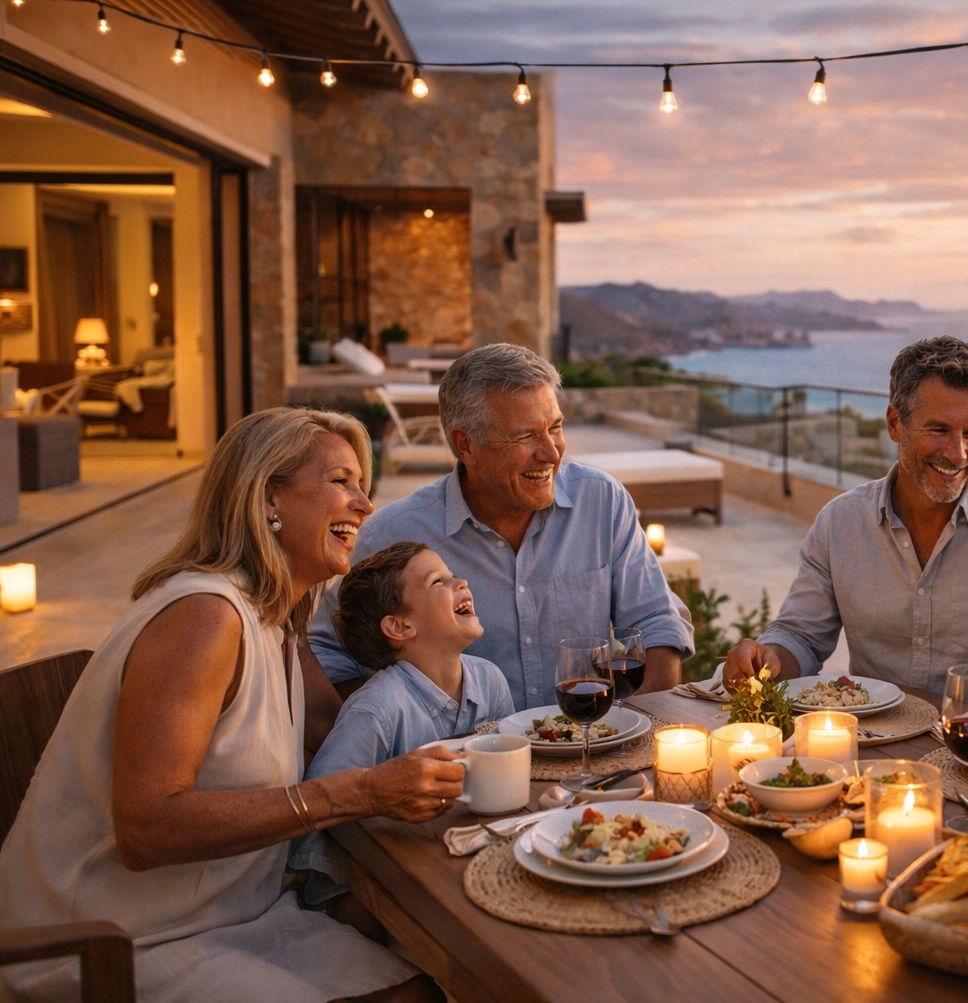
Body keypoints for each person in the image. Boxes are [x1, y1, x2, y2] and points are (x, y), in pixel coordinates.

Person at [0, 407, 463, 1002]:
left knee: (429, 984)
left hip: (233, 917)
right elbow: (146, 829)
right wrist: (362, 791)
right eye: (340, 482)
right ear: (268, 498)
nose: (365, 505)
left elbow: (336, 729)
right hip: (109, 943)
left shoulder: (275, 619)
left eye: (362, 486)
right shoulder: (204, 616)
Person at [307, 343, 693, 707]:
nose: (551, 452)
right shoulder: (391, 535)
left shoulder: (602, 501)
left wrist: (642, 728)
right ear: (466, 445)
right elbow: (328, 659)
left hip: (589, 747)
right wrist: (408, 728)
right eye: (525, 435)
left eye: (555, 427)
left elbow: (655, 624)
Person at [725, 335, 968, 712]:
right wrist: (768, 659)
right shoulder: (839, 523)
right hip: (877, 750)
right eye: (939, 430)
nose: (957, 453)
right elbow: (802, 637)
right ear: (895, 423)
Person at [292, 542, 513, 905]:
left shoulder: (491, 681)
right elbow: (324, 809)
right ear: (399, 626)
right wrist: (353, 902)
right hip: (394, 888)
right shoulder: (376, 709)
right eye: (437, 581)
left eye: (452, 574)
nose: (461, 582)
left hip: (476, 866)